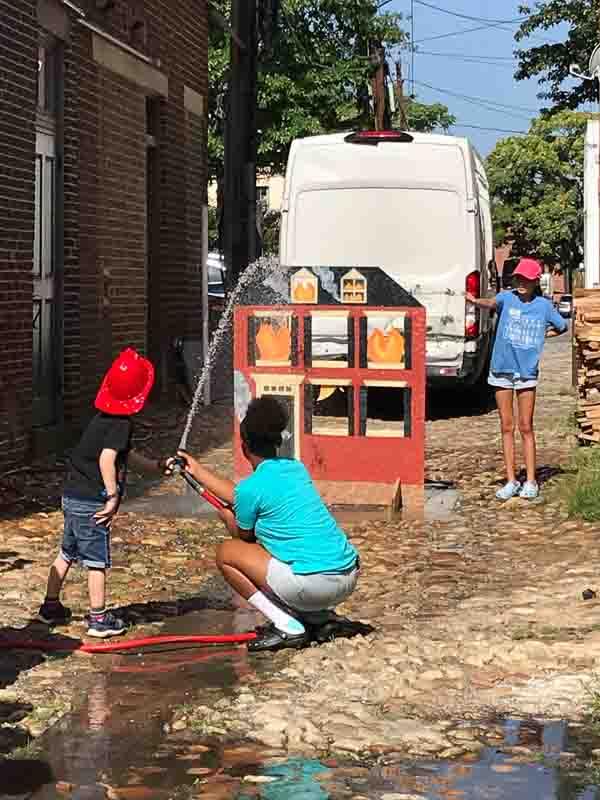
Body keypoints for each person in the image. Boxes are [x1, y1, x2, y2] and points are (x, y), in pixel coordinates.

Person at [168, 396, 360, 653]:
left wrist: (228, 518)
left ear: (244, 446)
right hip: (347, 577)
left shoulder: (251, 488)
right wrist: (197, 470)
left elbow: (244, 538)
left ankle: (287, 625)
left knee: (226, 553)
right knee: (283, 551)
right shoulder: (295, 469)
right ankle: (320, 618)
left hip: (314, 587)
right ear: (278, 439)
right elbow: (242, 495)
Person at [38, 348, 166, 638]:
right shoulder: (121, 424)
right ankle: (98, 619)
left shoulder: (102, 418)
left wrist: (157, 466)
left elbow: (126, 456)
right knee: (96, 561)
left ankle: (50, 607)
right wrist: (111, 496)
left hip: (72, 496)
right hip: (91, 502)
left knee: (66, 553)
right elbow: (108, 459)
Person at [466, 258, 568, 501]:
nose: (521, 283)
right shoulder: (506, 298)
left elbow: (562, 326)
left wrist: (544, 335)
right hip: (502, 370)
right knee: (506, 426)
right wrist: (472, 300)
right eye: (518, 278)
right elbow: (490, 303)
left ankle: (531, 480)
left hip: (526, 372)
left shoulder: (543, 306)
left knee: (526, 426)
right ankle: (511, 479)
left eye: (527, 279)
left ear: (535, 282)